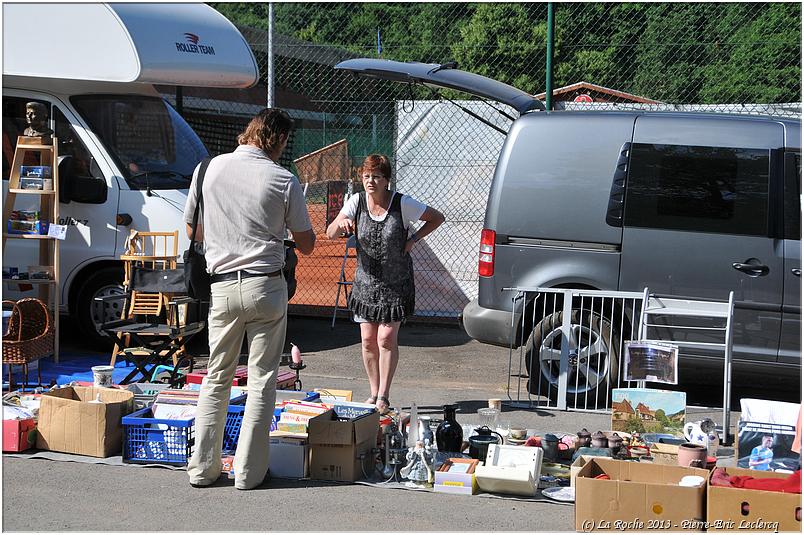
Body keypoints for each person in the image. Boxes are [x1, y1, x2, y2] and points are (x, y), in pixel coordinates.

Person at [183, 108, 316, 490]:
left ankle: (203, 469)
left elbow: (193, 229)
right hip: (266, 285)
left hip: (221, 285)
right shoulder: (282, 178)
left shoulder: (207, 169)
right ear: (276, 139)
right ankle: (248, 472)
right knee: (261, 380)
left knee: (216, 376)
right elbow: (306, 244)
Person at [325, 154, 444, 414]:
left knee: (386, 337)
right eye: (366, 176)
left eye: (376, 176)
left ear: (386, 180)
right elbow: (330, 232)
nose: (370, 181)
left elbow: (437, 217)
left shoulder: (403, 204)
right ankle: (372, 390)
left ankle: (384, 395)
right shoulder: (356, 202)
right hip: (365, 283)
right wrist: (341, 223)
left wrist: (413, 239)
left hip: (395, 283)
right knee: (368, 339)